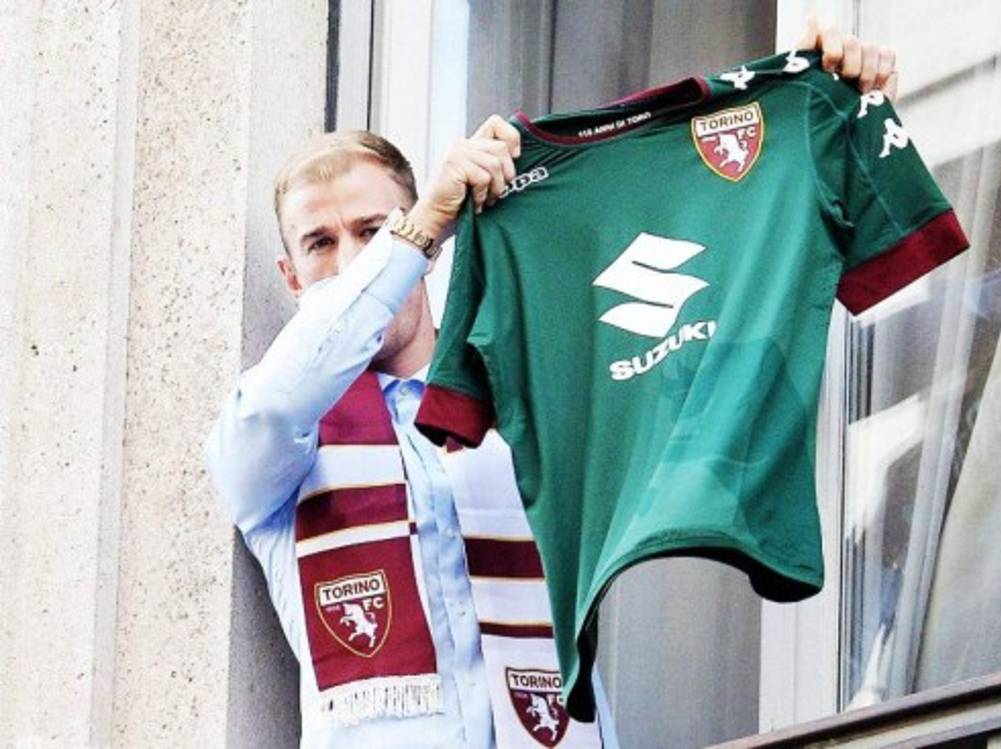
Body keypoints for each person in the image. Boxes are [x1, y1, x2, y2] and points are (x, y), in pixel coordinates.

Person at [204, 19, 897, 748]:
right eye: (320, 243)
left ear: (425, 246)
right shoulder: (275, 443)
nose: (350, 262)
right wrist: (417, 231)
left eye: (374, 232)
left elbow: (718, 343)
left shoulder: (528, 391)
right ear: (290, 276)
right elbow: (278, 397)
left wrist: (820, 110)